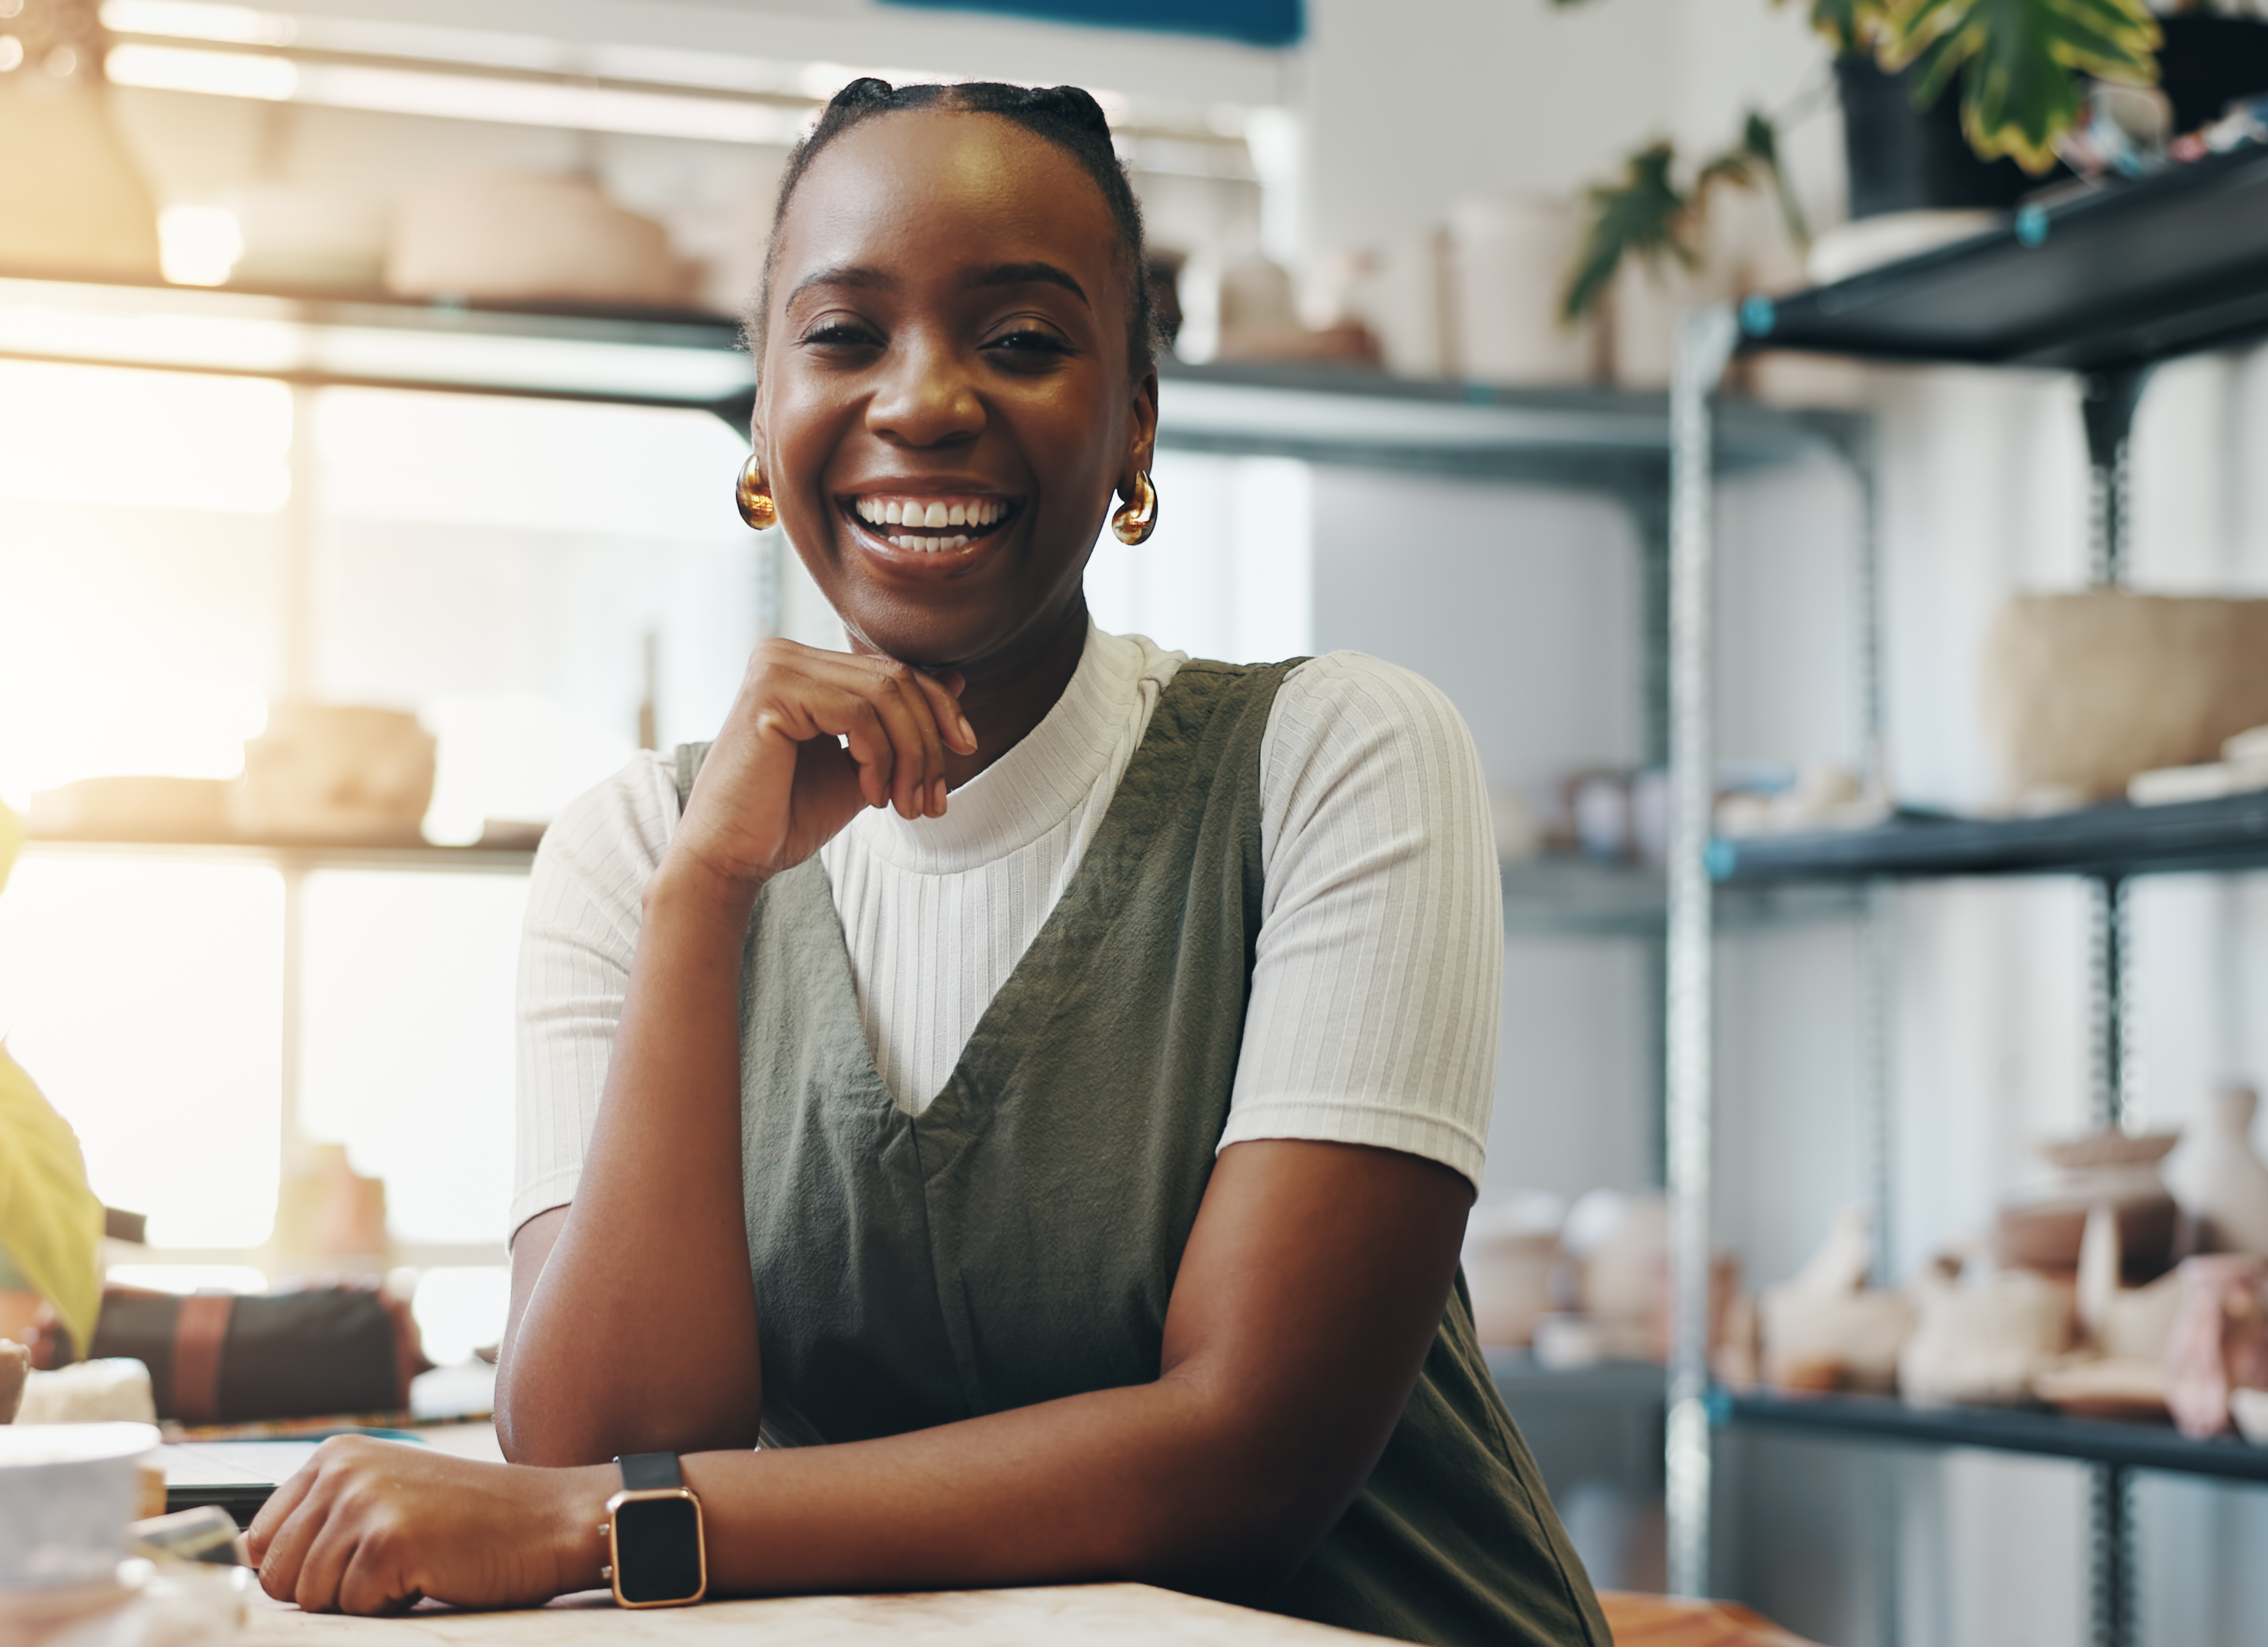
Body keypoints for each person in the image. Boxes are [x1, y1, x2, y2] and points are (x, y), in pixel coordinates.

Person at [243, 79, 1609, 1646]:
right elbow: (600, 1432)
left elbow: (1244, 1462)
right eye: (841, 338)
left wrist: (595, 1523)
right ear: (763, 419)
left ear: (1135, 424)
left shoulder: (1334, 763)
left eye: (1021, 340)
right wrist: (703, 905)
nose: (923, 401)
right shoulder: (634, 851)